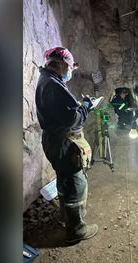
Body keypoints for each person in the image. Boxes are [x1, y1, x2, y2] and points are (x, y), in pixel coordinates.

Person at [35, 47, 98, 243]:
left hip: (54, 139)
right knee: (75, 183)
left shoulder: (48, 80)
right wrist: (87, 106)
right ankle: (76, 230)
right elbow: (75, 120)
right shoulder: (53, 85)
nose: (71, 71)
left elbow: (64, 111)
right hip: (63, 142)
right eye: (70, 67)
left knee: (64, 179)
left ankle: (65, 216)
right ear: (61, 65)